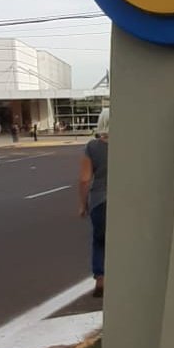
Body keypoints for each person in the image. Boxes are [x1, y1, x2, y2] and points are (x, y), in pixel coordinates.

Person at [79, 109, 109, 298]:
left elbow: (84, 179)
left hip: (100, 200)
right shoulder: (132, 146)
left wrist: (83, 204)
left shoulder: (92, 147)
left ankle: (101, 279)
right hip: (126, 201)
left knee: (99, 241)